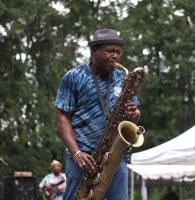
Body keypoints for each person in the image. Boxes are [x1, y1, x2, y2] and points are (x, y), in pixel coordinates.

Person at [55, 28, 142, 200]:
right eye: (110, 51)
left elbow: (136, 115)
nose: (115, 56)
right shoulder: (73, 77)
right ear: (94, 51)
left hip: (116, 156)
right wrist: (77, 153)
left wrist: (134, 114)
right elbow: (62, 118)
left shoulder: (123, 79)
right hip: (84, 158)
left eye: (118, 52)